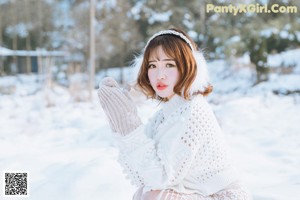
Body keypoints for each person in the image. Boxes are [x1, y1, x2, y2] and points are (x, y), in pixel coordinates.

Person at [98, 28, 251, 200]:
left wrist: (128, 122)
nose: (159, 75)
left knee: (154, 196)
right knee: (143, 193)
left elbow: (158, 179)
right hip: (197, 194)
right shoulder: (166, 114)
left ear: (188, 67)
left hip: (223, 196)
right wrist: (119, 116)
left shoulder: (193, 112)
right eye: (152, 65)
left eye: (169, 65)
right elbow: (142, 174)